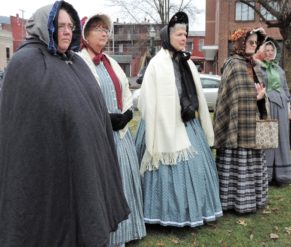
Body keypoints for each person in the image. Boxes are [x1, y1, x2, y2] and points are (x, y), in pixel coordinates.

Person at [0, 1, 130, 246]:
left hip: (83, 163)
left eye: (70, 26)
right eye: (60, 26)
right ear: (44, 26)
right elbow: (25, 126)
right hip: (46, 172)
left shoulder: (76, 62)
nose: (68, 31)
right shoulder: (25, 63)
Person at [135, 11, 223, 227]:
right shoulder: (156, 64)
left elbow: (198, 97)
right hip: (161, 123)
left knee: (195, 167)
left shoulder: (188, 63)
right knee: (164, 171)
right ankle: (161, 212)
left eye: (185, 34)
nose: (184, 38)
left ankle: (192, 210)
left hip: (187, 122)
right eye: (179, 34)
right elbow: (146, 99)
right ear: (168, 36)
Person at [78, 14, 146, 246]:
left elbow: (126, 91)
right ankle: (109, 236)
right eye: (98, 29)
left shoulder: (111, 61)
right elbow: (79, 99)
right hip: (98, 134)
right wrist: (105, 119)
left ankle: (129, 230)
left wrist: (126, 115)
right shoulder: (78, 62)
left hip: (120, 134)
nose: (104, 33)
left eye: (106, 29)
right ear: (85, 34)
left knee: (126, 179)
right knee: (106, 183)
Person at [213, 27, 268, 214]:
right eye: (251, 42)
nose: (254, 45)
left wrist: (261, 96)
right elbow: (232, 96)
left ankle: (252, 201)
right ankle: (231, 202)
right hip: (235, 126)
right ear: (240, 43)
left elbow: (257, 89)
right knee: (236, 162)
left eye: (256, 43)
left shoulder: (254, 65)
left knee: (252, 162)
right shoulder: (233, 64)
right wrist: (257, 97)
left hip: (252, 122)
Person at [258, 37, 291, 185]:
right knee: (269, 137)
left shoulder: (279, 69)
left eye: (272, 50)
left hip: (282, 106)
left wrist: (287, 101)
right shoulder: (259, 68)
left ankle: (283, 174)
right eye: (267, 50)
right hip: (268, 105)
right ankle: (267, 175)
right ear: (262, 52)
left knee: (282, 138)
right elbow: (258, 87)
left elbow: (285, 88)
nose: (270, 52)